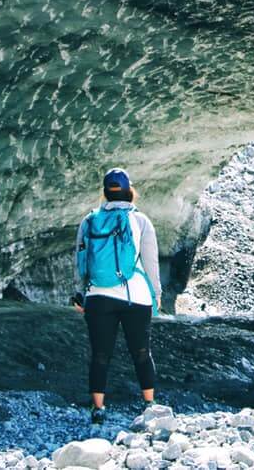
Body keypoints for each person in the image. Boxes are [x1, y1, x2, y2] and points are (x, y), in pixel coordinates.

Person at [72, 167, 161, 424]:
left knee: (100, 353)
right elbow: (151, 263)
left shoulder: (89, 220)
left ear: (105, 194)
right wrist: (156, 296)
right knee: (142, 351)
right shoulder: (141, 221)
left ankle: (98, 408)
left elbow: (80, 261)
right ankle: (149, 403)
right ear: (130, 192)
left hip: (99, 296)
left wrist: (79, 294)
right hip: (136, 297)